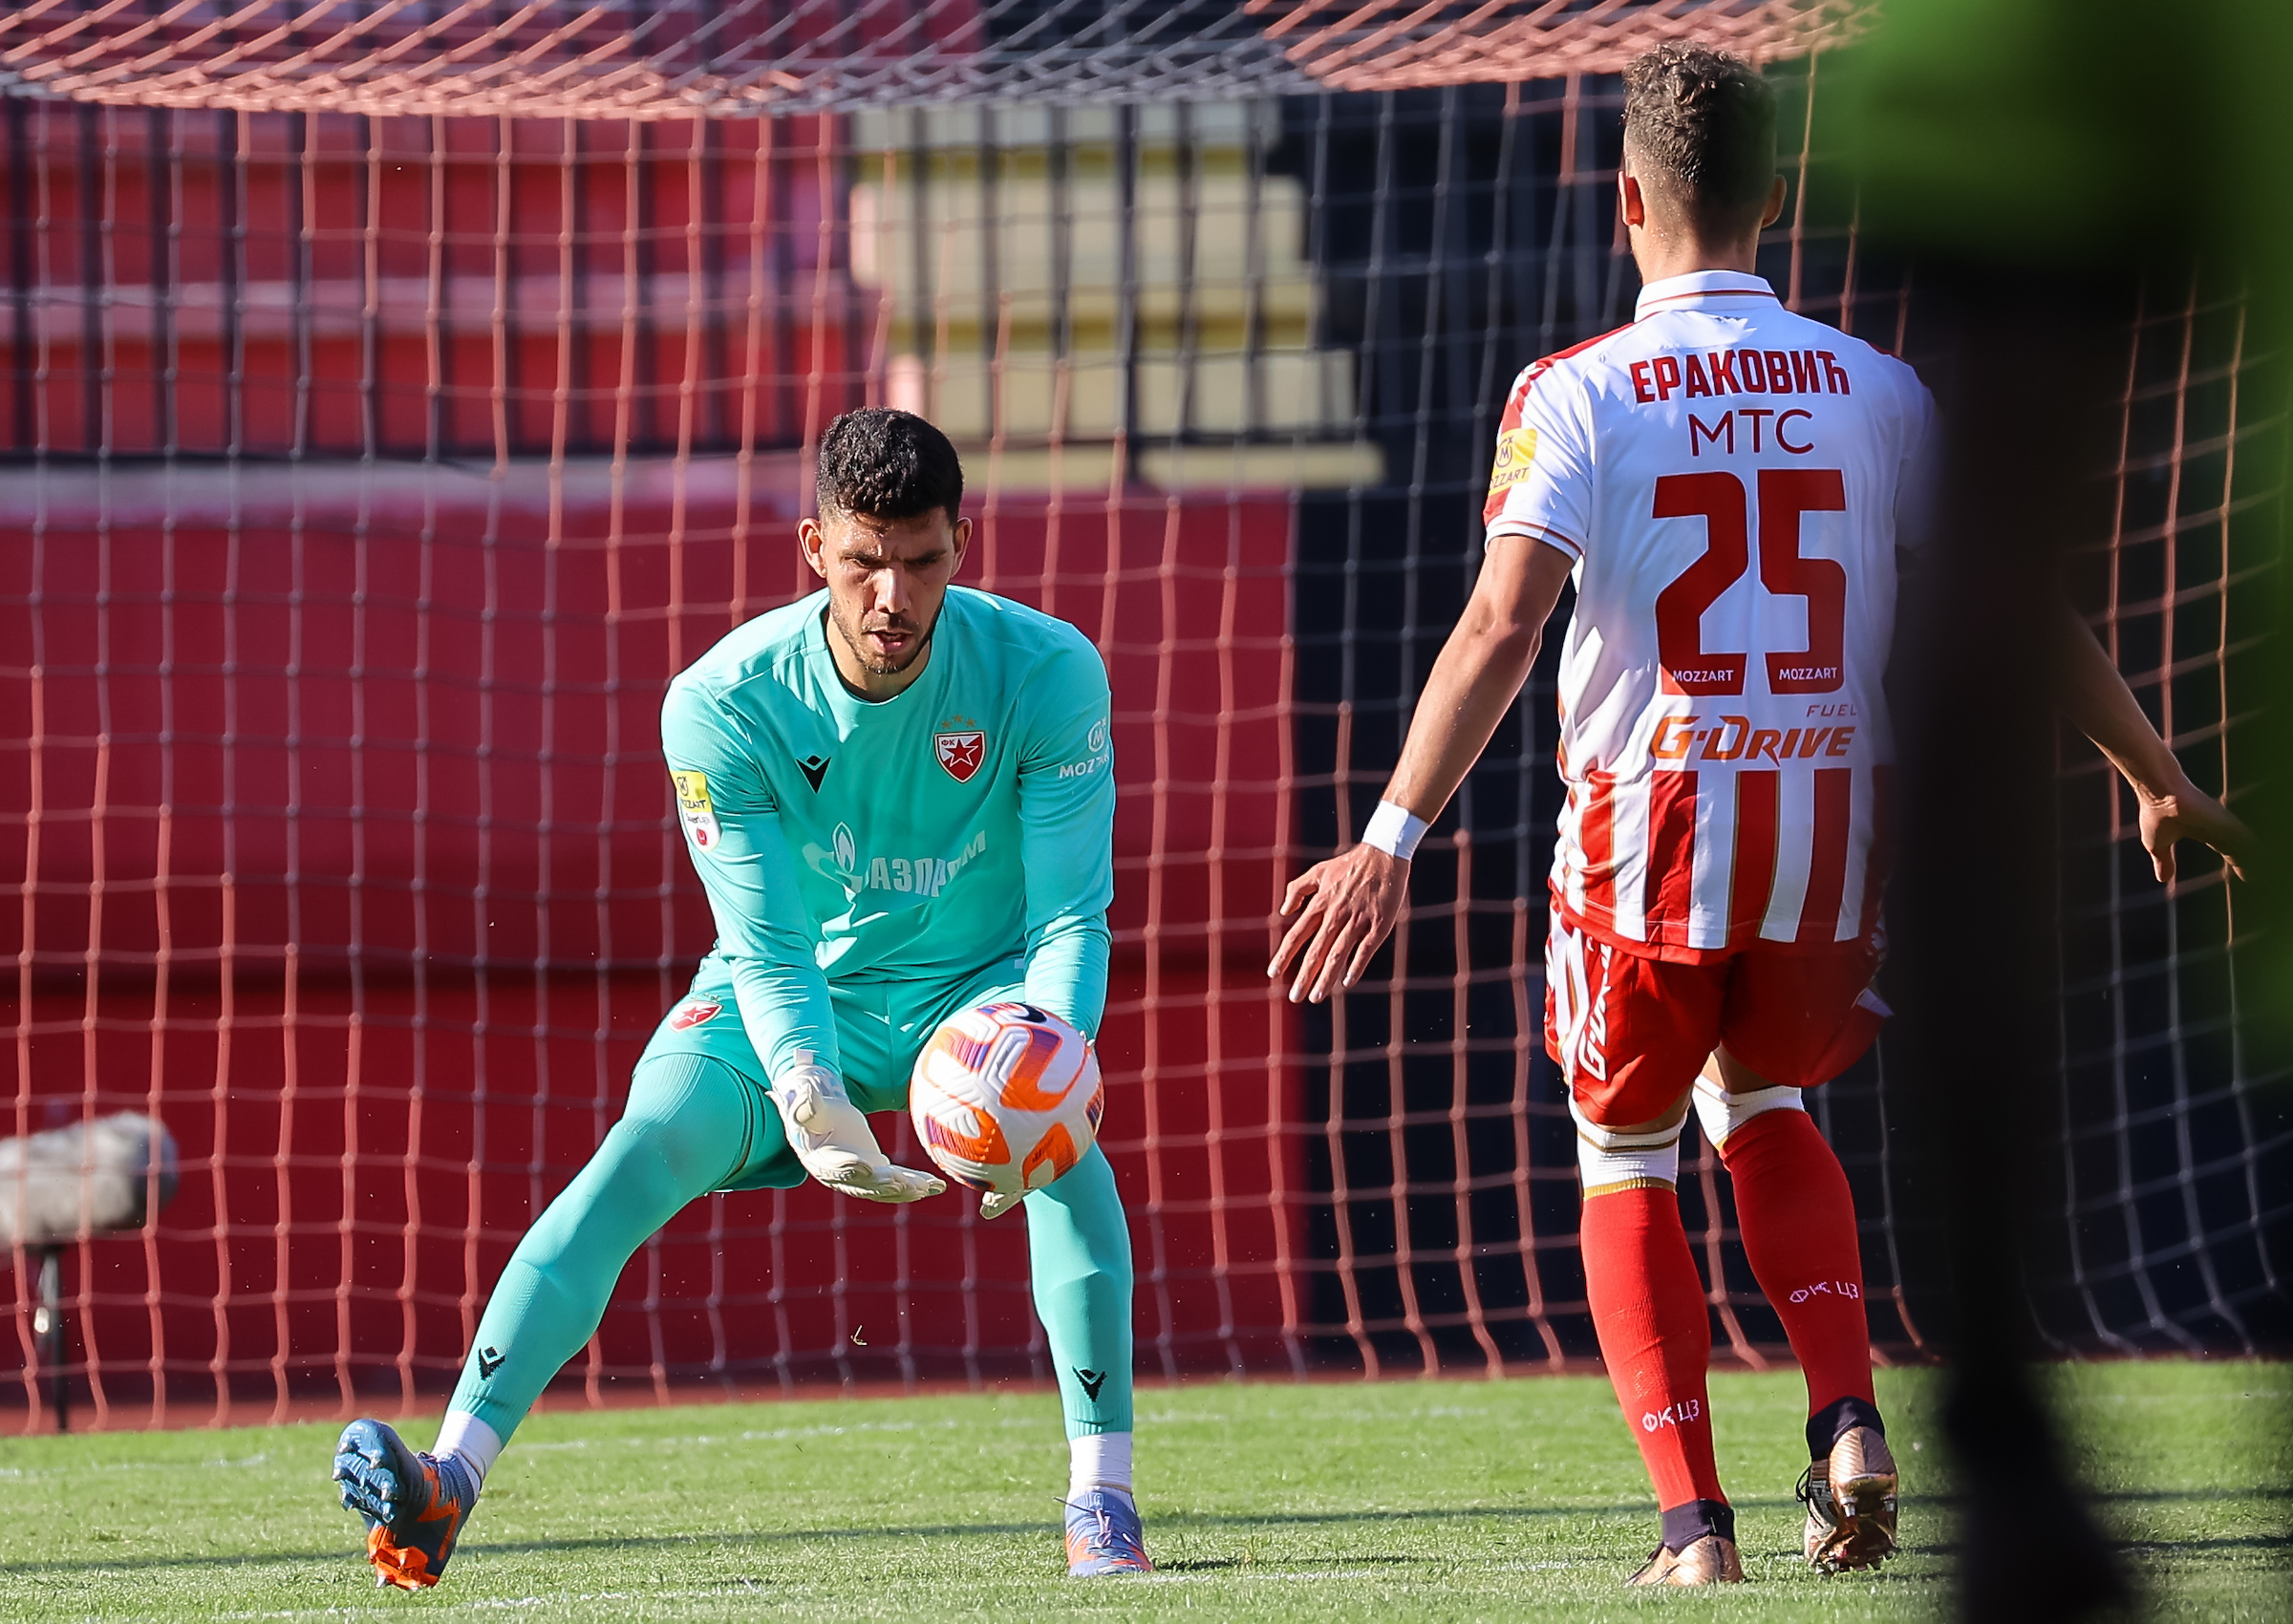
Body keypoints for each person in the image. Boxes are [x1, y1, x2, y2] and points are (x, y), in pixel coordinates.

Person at [1267, 43, 2251, 1588]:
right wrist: (2156, 774)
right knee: (1768, 1106)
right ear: (1778, 202)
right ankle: (1849, 1416)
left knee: (1624, 1156)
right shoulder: (1882, 387)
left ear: (1627, 201)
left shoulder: (1574, 392)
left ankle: (1694, 1530)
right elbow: (2011, 598)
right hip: (1827, 853)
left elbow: (1503, 626)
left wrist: (1387, 837)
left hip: (1648, 850)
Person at [332, 408, 1149, 1589]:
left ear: (961, 546)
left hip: (973, 1007)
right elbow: (765, 948)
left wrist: (1055, 1055)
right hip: (789, 999)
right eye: (864, 559)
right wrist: (812, 1096)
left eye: (920, 560)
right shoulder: (719, 702)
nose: (892, 596)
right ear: (814, 545)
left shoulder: (1050, 671)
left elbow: (1071, 917)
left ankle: (1102, 1503)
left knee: (1071, 1156)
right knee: (643, 1147)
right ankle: (447, 1481)